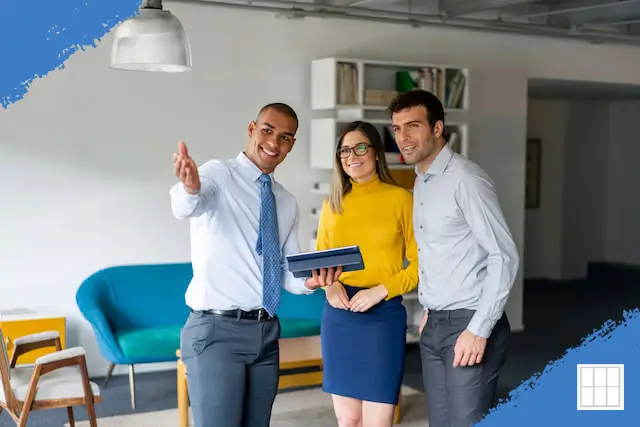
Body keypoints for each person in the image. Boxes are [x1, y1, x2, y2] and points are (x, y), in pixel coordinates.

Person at [170, 102, 341, 427]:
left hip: (265, 333)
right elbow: (186, 205)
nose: (274, 143)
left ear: (292, 145)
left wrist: (312, 281)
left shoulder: (286, 201)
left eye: (286, 137)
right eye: (267, 130)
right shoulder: (217, 174)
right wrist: (190, 187)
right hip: (216, 333)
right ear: (252, 129)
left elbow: (288, 276)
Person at [387, 89, 520, 427]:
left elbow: (503, 255)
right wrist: (429, 307)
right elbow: (437, 252)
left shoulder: (466, 180)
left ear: (437, 128)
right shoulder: (422, 181)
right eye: (397, 128)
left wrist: (478, 328)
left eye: (412, 126)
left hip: (470, 321)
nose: (403, 137)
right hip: (435, 325)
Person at [316, 120, 419, 427]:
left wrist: (380, 291)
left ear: (376, 153)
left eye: (360, 147)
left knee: (378, 421)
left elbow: (419, 264)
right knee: (348, 420)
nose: (352, 155)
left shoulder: (401, 198)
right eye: (345, 150)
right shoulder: (332, 204)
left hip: (383, 314)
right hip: (339, 315)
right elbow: (321, 263)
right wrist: (330, 287)